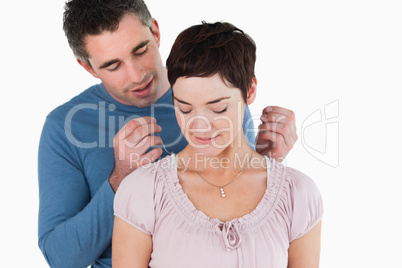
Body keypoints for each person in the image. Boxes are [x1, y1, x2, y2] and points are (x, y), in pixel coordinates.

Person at [38, 1, 298, 267]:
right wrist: (120, 179)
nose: (137, 75)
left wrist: (265, 163)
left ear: (156, 32)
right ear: (87, 67)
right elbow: (61, 258)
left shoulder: (216, 91)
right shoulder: (66, 127)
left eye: (140, 50)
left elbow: (239, 222)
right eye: (113, 66)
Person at [112, 21, 323, 267]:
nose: (200, 126)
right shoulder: (142, 192)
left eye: (218, 108)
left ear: (250, 90)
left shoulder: (297, 194)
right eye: (185, 109)